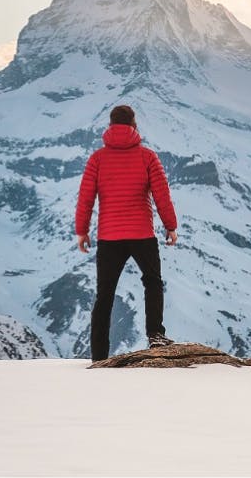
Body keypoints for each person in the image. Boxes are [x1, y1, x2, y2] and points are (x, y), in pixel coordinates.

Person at [75, 104, 179, 361]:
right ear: (134, 126)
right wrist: (171, 226)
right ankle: (156, 335)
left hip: (109, 237)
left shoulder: (97, 159)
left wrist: (82, 231)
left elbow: (86, 198)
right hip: (142, 234)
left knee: (105, 295)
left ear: (110, 126)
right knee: (152, 282)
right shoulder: (147, 156)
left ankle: (99, 355)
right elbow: (161, 195)